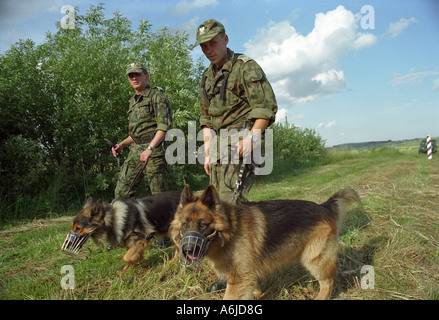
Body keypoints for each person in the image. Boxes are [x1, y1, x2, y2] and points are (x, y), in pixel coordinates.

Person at [194, 19, 278, 203]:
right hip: (218, 144)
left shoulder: (245, 67)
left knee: (229, 202)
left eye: (213, 43)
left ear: (225, 39)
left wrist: (251, 139)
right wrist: (208, 152)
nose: (209, 50)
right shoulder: (206, 77)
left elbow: (266, 108)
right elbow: (206, 119)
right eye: (204, 46)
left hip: (242, 139)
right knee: (214, 202)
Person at [112, 62, 172, 198]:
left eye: (137, 74)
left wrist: (149, 149)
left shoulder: (156, 96)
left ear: (146, 76)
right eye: (131, 76)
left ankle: (164, 219)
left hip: (154, 150)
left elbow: (164, 127)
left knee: (159, 197)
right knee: (122, 193)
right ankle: (131, 219)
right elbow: (136, 134)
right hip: (135, 150)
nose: (134, 78)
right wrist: (122, 144)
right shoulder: (133, 101)